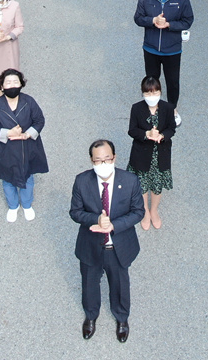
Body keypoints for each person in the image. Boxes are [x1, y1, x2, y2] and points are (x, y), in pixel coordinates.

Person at [69, 139, 144, 343]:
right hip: (91, 245)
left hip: (118, 245)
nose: (103, 164)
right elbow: (75, 212)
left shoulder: (130, 181)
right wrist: (95, 219)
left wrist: (114, 225)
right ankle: (91, 315)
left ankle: (121, 318)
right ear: (92, 161)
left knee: (120, 284)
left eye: (107, 159)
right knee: (89, 283)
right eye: (98, 161)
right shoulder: (82, 181)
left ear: (114, 158)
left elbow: (138, 212)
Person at [0, 69, 47, 222]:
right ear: (2, 86)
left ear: (21, 84)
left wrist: (28, 134)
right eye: (8, 82)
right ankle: (13, 206)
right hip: (5, 150)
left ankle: (26, 204)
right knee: (7, 179)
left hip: (28, 147)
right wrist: (8, 133)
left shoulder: (29, 102)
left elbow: (39, 121)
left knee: (28, 177)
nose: (12, 85)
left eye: (15, 82)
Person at [133, 0, 193, 118]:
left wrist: (169, 25)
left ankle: (172, 109)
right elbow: (138, 18)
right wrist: (152, 20)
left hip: (172, 49)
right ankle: (152, 108)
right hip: (150, 48)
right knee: (152, 80)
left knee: (172, 82)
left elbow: (188, 21)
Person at [127, 77, 176, 230]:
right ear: (143, 94)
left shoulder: (167, 108)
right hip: (141, 154)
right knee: (142, 185)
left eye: (155, 92)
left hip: (160, 154)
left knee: (157, 185)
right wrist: (146, 133)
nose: (152, 96)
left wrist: (162, 136)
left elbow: (171, 128)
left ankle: (154, 210)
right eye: (148, 94)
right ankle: (145, 211)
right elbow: (132, 130)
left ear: (160, 92)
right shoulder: (136, 108)